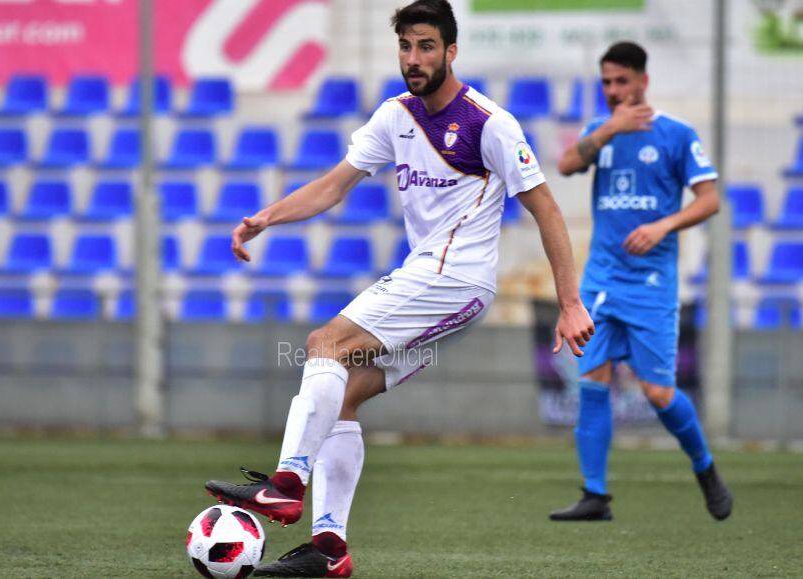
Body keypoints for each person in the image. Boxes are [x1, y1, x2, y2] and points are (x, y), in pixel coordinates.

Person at [203, 1, 595, 576]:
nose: (414, 58)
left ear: (451, 50)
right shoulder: (395, 116)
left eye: (427, 46)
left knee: (323, 345)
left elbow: (548, 211)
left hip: (455, 278)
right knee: (343, 395)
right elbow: (333, 187)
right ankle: (329, 549)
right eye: (406, 47)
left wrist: (569, 302)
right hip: (434, 281)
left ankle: (287, 483)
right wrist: (265, 218)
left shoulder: (490, 123)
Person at [549, 41, 732, 522]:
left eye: (621, 81)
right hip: (599, 282)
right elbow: (567, 165)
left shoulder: (674, 135)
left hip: (650, 284)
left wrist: (663, 225)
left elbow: (710, 200)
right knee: (592, 379)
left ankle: (705, 466)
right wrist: (609, 128)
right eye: (606, 82)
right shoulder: (599, 133)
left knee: (658, 395)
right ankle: (595, 496)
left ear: (642, 82)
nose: (613, 90)